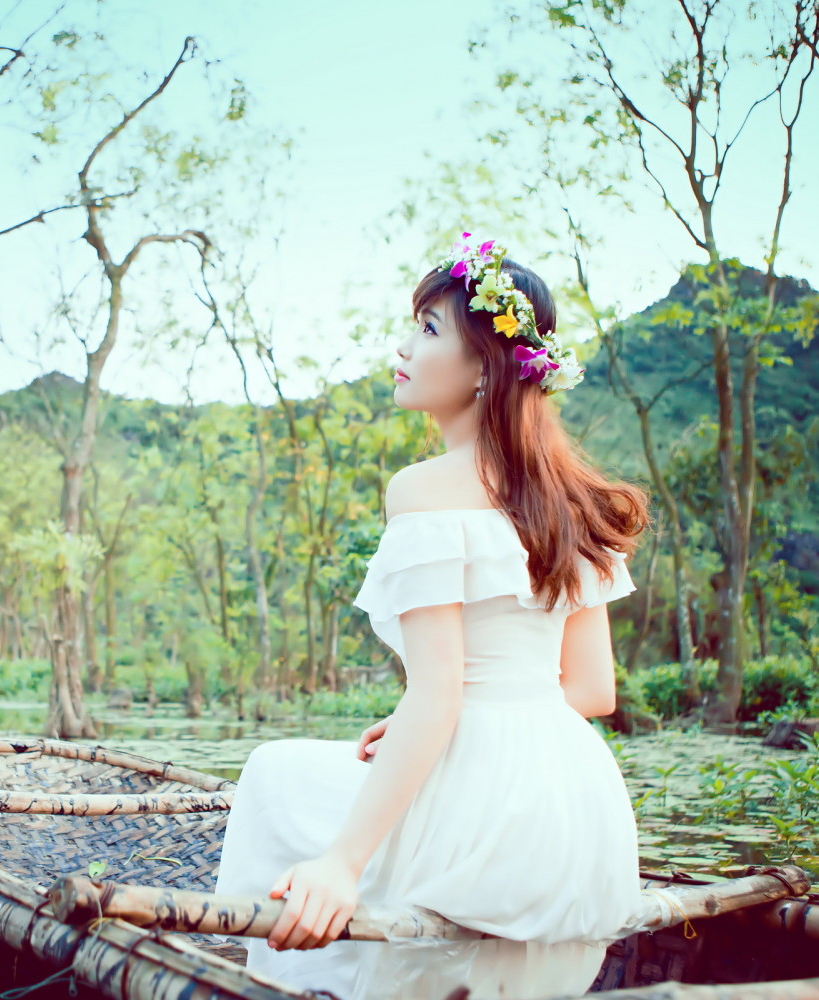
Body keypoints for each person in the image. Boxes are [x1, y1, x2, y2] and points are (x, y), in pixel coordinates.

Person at [213, 233, 650, 1000]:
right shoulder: (571, 499)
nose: (403, 346)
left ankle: (288, 975)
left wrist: (341, 864)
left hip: (486, 800)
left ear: (484, 365)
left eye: (427, 328)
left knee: (272, 773)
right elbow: (592, 692)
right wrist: (429, 717)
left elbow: (442, 694)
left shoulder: (425, 488)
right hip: (579, 817)